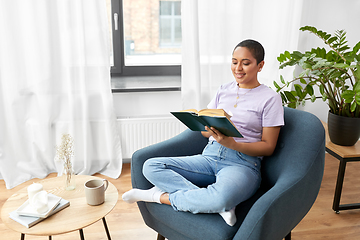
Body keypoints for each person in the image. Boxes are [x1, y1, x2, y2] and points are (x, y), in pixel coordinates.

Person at [122, 39, 284, 226]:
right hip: (209, 157)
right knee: (151, 166)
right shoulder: (224, 90)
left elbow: (269, 147)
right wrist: (207, 127)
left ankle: (157, 196)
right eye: (234, 61)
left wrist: (234, 144)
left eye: (245, 63)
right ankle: (216, 204)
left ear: (260, 65)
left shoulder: (270, 98)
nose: (238, 68)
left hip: (243, 165)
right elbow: (205, 134)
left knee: (220, 198)